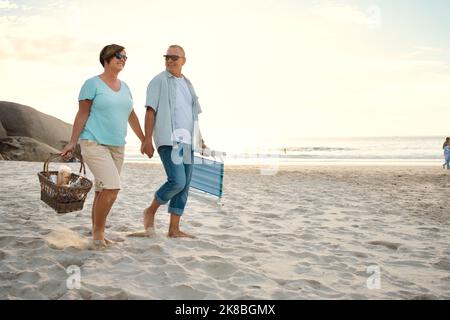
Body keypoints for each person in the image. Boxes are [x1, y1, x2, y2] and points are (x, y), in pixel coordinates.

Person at [61, 44, 145, 248]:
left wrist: (144, 139)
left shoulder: (125, 87)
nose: (122, 59)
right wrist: (72, 141)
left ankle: (98, 234)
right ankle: (98, 236)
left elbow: (131, 115)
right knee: (112, 188)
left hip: (118, 146)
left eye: (125, 56)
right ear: (106, 59)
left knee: (102, 191)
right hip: (94, 142)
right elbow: (82, 113)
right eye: (118, 55)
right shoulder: (92, 84)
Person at [140, 45, 208, 238]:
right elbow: (150, 110)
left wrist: (201, 140)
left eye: (174, 58)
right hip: (169, 140)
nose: (169, 60)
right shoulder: (158, 81)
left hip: (188, 142)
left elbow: (193, 116)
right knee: (177, 181)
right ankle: (150, 211)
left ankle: (174, 229)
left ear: (183, 61)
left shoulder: (188, 84)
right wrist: (147, 139)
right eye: (167, 57)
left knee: (184, 186)